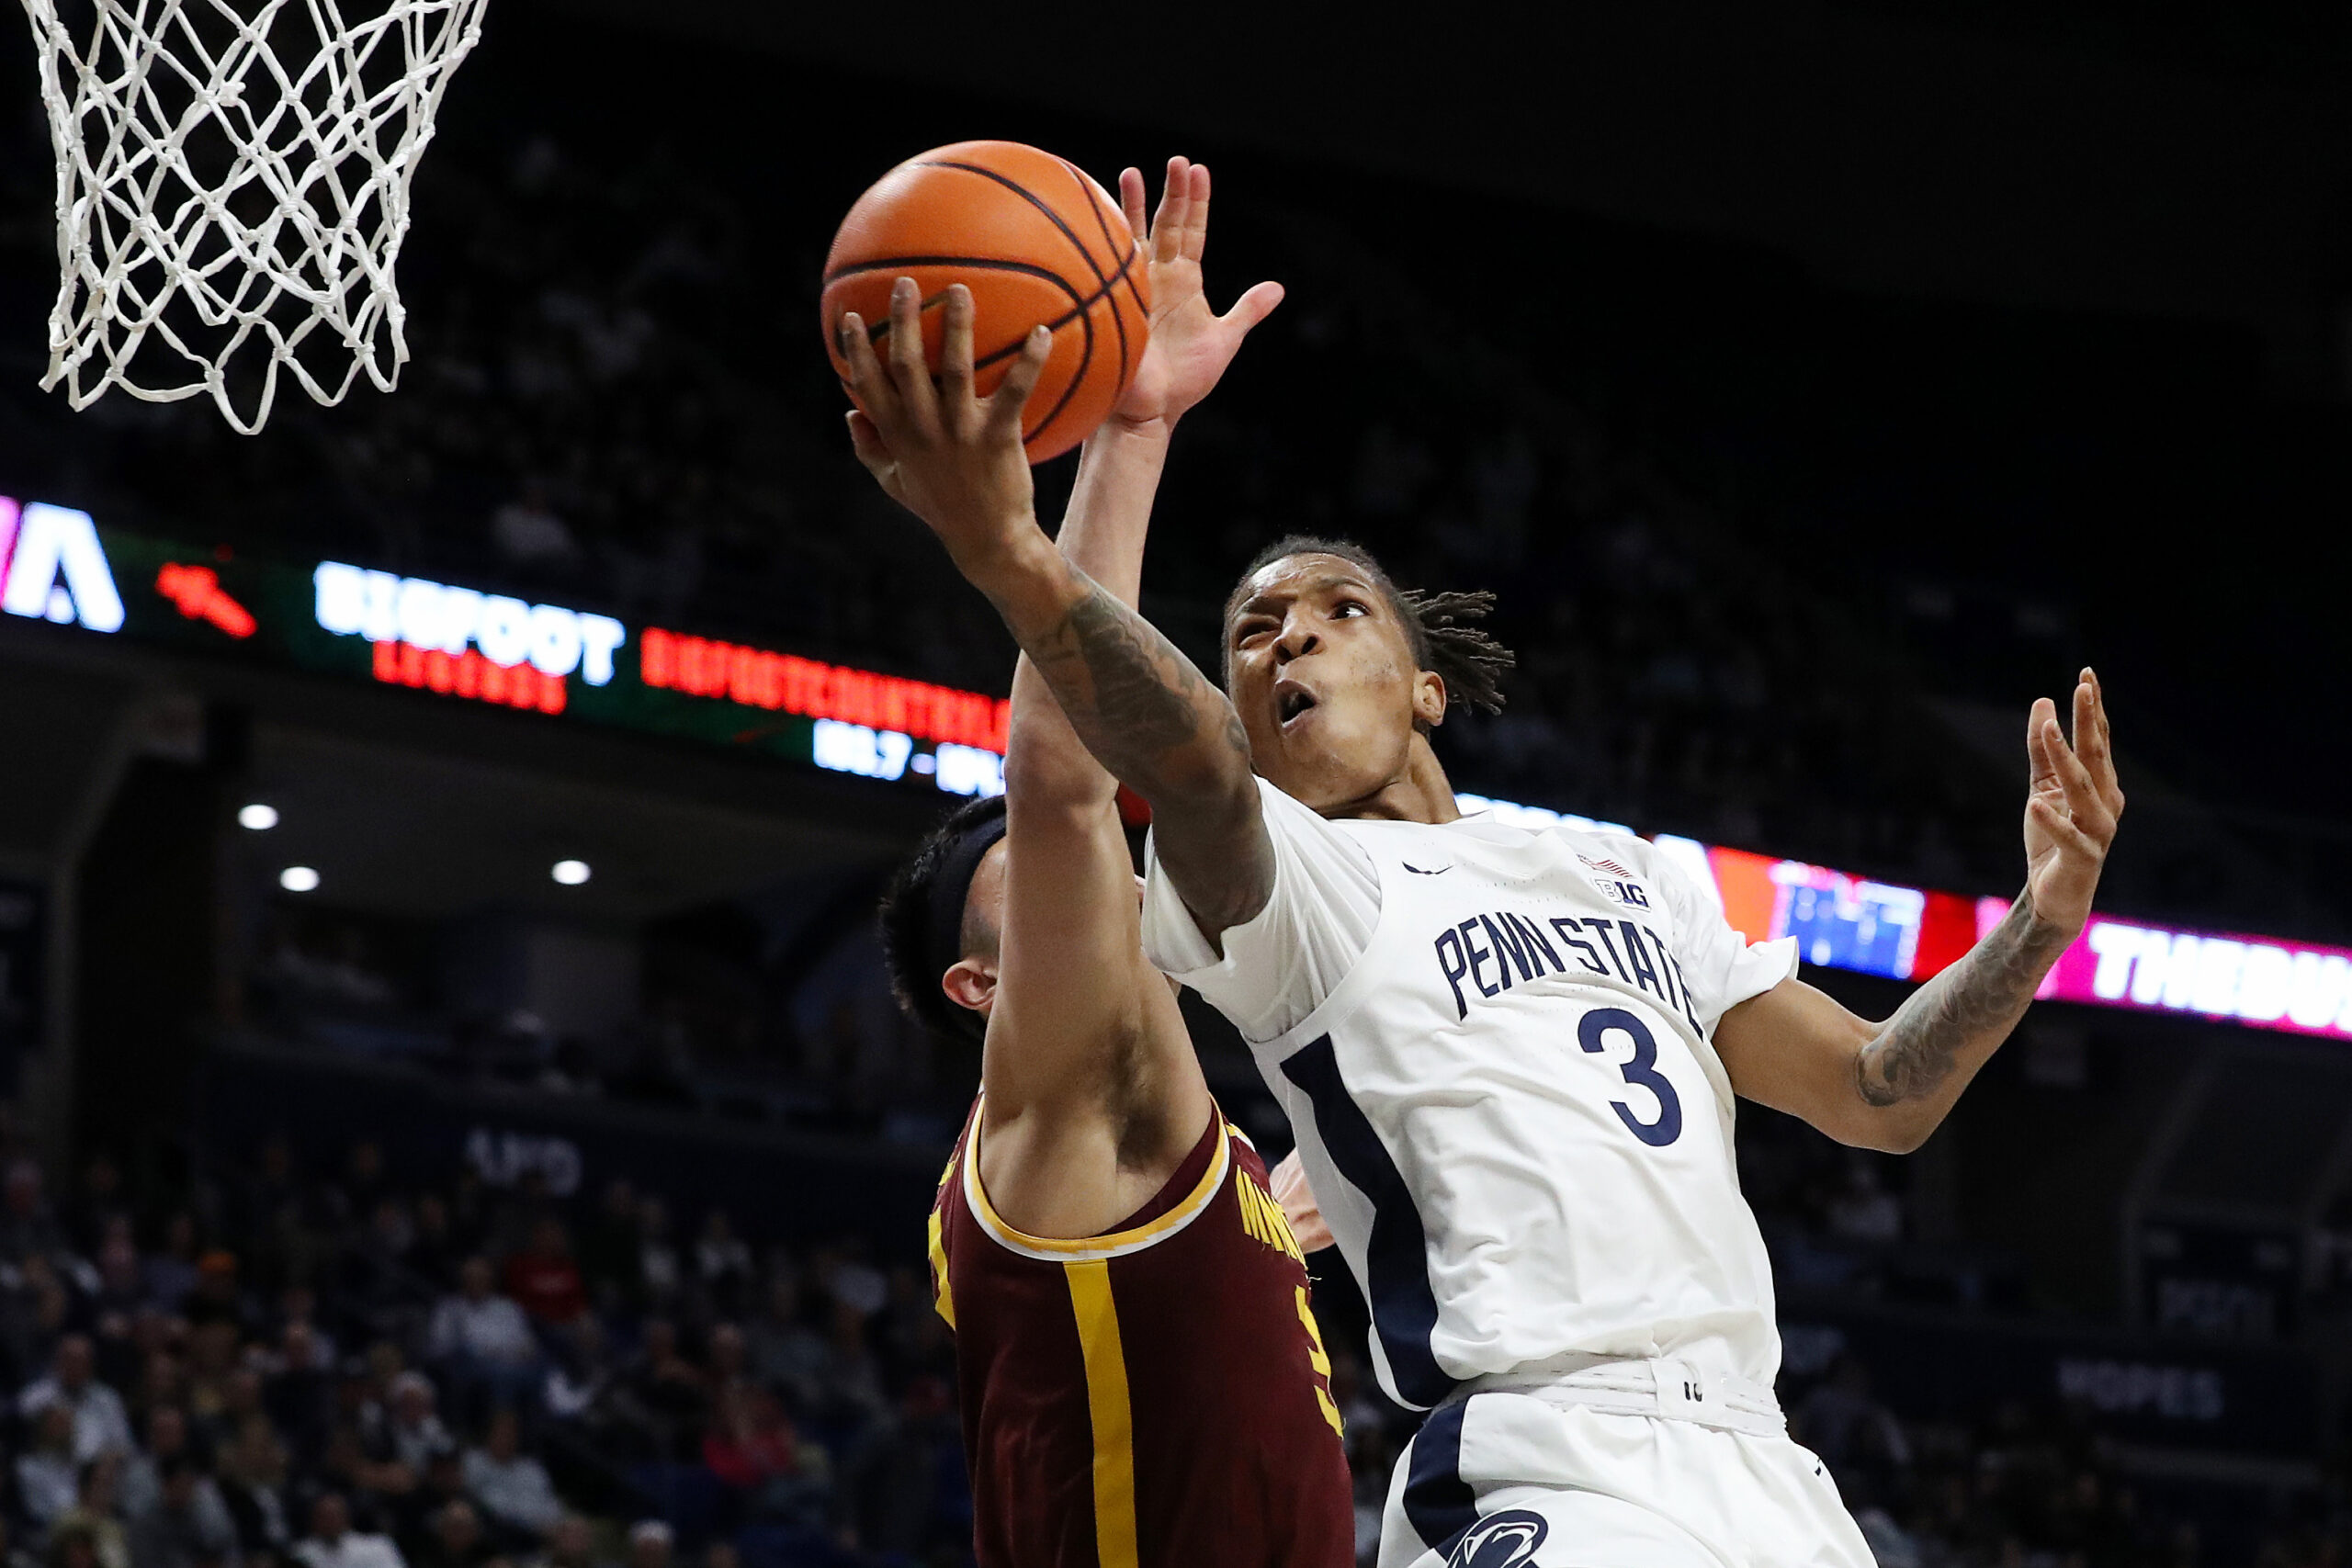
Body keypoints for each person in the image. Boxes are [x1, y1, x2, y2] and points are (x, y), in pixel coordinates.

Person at [839, 179, 2128, 1564]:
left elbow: (1881, 1096)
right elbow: (1157, 766)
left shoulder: (1635, 873)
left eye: (1340, 610)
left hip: (1770, 1473)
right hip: (1542, 1466)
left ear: (1429, 688)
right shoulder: (1295, 891)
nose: (1291, 641)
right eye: (1253, 631)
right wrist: (1027, 541)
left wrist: (2042, 923)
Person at [857, 158, 1351, 1568]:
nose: (1097, 876)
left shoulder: (1161, 1162)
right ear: (977, 984)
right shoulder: (1056, 1122)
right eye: (1023, 870)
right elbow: (1068, 778)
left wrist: (1280, 1222)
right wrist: (1128, 436)